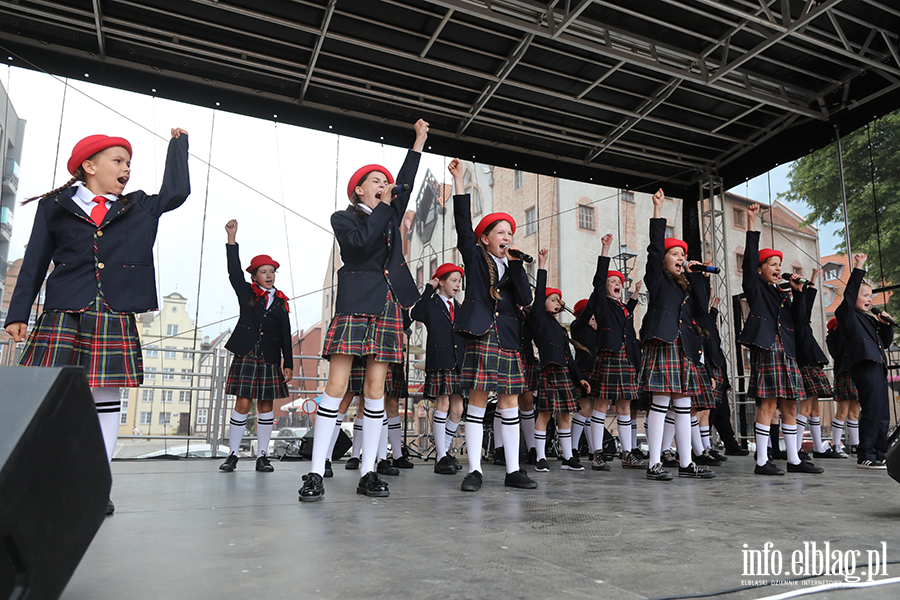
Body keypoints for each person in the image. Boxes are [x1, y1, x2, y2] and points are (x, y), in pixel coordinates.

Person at [5, 128, 190, 515]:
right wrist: (18, 313)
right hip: (64, 310)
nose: (126, 169)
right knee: (50, 395)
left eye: (128, 163)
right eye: (118, 161)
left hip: (114, 310)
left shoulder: (138, 206)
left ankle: (95, 482)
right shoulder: (55, 206)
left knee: (107, 398)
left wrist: (179, 145)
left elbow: (177, 192)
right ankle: (42, 476)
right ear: (89, 166)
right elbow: (36, 260)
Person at [298, 119, 429, 501]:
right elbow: (358, 248)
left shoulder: (389, 214)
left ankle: (369, 470)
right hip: (356, 305)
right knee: (336, 387)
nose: (383, 184)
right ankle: (315, 472)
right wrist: (386, 208)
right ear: (359, 189)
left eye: (385, 181)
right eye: (376, 180)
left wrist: (418, 141)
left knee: (375, 390)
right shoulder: (344, 218)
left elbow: (407, 178)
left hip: (387, 305)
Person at [450, 157, 537, 492]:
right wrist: (460, 183)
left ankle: (514, 469)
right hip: (483, 332)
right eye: (500, 232)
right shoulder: (474, 257)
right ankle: (475, 470)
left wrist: (516, 265)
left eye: (510, 233)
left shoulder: (512, 265)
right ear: (484, 238)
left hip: (508, 338)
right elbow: (461, 224)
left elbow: (526, 299)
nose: (506, 236)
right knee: (477, 399)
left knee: (510, 402)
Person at [739, 203, 822, 476]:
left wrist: (799, 292)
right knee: (769, 404)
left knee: (789, 404)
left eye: (779, 265)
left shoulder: (783, 295)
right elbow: (749, 261)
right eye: (772, 264)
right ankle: (762, 460)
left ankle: (794, 459)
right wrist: (751, 223)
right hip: (768, 349)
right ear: (761, 269)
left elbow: (801, 320)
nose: (778, 268)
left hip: (787, 352)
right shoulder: (755, 287)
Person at [639, 188, 715, 481]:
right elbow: (654, 250)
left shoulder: (685, 285)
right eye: (675, 254)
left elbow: (702, 310)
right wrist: (658, 211)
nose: (681, 257)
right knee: (660, 403)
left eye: (683, 254)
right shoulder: (657, 279)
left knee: (684, 405)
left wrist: (696, 275)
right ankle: (653, 463)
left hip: (684, 346)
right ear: (664, 259)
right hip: (663, 341)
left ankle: (686, 463)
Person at [219, 220, 294, 473]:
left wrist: (289, 364)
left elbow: (286, 334)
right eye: (264, 271)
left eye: (272, 271)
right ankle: (232, 455)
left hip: (270, 357)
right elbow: (233, 272)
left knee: (265, 407)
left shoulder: (282, 301)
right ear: (255, 276)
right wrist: (232, 239)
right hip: (247, 353)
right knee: (242, 403)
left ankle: (262, 456)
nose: (269, 275)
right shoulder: (246, 293)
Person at [529, 249, 592, 473]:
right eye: (553, 299)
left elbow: (570, 358)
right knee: (544, 414)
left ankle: (568, 458)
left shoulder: (561, 329)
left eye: (558, 300)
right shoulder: (537, 318)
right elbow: (537, 299)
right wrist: (543, 264)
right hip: (548, 370)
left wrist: (580, 379)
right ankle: (540, 457)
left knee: (565, 414)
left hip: (565, 373)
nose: (557, 303)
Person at [587, 233, 644, 471]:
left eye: (618, 281)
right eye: (612, 281)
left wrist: (633, 297)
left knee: (624, 406)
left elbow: (625, 318)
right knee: (601, 404)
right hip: (609, 355)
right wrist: (605, 250)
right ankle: (597, 453)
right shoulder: (600, 302)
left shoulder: (622, 307)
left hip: (626, 358)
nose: (616, 283)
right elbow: (600, 280)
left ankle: (627, 453)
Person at [835, 253, 894, 469]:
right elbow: (849, 294)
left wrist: (886, 325)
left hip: (878, 366)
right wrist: (859, 267)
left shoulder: (869, 320)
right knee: (871, 410)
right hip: (865, 365)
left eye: (871, 296)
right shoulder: (847, 314)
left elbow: (885, 343)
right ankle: (865, 454)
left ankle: (880, 452)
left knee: (882, 412)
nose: (869, 299)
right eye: (865, 295)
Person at [411, 263, 467, 475]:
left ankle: (442, 452)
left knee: (458, 409)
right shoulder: (432, 304)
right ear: (441, 281)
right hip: (441, 360)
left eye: (459, 281)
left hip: (458, 362)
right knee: (442, 404)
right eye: (453, 280)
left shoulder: (461, 308)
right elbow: (416, 313)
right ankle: (442, 455)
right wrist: (428, 289)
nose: (457, 285)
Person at [793, 271, 840, 459]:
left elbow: (807, 304)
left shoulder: (803, 321)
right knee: (805, 407)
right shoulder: (795, 321)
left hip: (812, 362)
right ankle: (796, 448)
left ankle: (818, 447)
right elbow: (805, 304)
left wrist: (812, 280)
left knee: (814, 408)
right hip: (804, 363)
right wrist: (809, 284)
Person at [825, 317, 856, 458]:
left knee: (855, 413)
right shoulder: (834, 338)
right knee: (843, 411)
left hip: (855, 373)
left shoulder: (849, 334)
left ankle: (855, 446)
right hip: (844, 373)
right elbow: (837, 352)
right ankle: (836, 445)